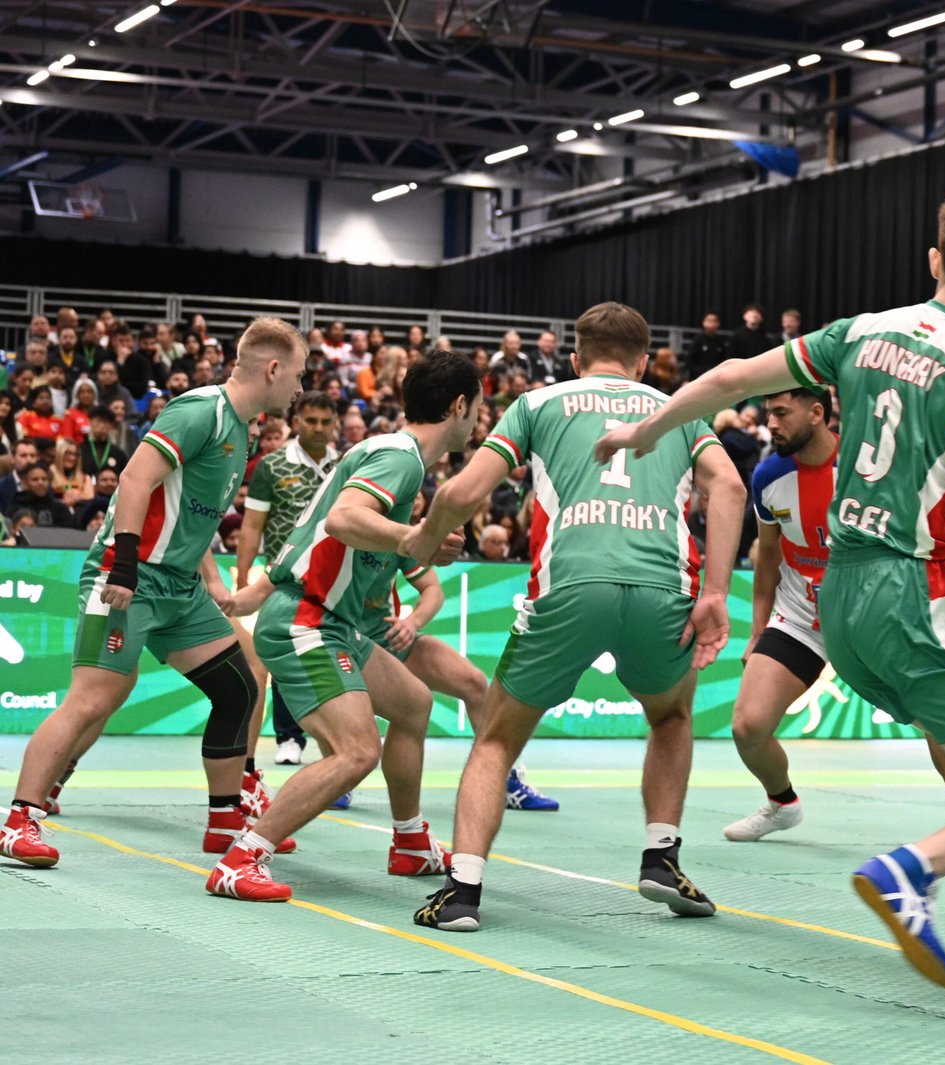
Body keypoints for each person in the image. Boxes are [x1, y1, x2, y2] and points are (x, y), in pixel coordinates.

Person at [596, 188, 945, 986]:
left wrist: (643, 429)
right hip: (913, 590)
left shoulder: (861, 332)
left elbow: (728, 376)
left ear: (934, 259)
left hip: (841, 596)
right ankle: (911, 871)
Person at [408, 301, 746, 933]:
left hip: (570, 587)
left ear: (574, 358)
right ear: (643, 363)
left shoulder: (537, 404)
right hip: (662, 589)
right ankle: (662, 857)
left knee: (497, 739)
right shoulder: (680, 410)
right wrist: (718, 592)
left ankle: (462, 893)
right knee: (671, 716)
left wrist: (421, 543)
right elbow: (729, 487)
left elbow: (461, 493)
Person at [1, 317, 307, 870]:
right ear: (272, 368)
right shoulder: (199, 411)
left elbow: (192, 512)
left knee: (238, 687)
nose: (300, 387)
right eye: (298, 375)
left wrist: (210, 579)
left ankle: (224, 820)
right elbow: (135, 479)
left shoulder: (243, 430)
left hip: (180, 587)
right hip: (130, 575)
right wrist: (122, 565)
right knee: (94, 697)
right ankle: (19, 819)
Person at [206, 351, 480, 902]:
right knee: (357, 751)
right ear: (458, 406)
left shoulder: (383, 451)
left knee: (414, 704)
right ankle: (241, 859)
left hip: (333, 620)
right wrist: (415, 537)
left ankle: (410, 842)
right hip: (307, 620)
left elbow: (314, 532)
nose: (478, 419)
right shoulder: (400, 459)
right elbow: (342, 519)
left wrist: (419, 541)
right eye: (477, 409)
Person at [722, 387, 837, 842]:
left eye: (782, 413)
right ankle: (782, 803)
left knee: (937, 723)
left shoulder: (863, 469)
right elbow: (768, 554)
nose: (770, 423)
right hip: (800, 616)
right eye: (768, 412)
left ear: (816, 412)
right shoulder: (769, 475)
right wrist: (757, 631)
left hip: (866, 619)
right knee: (748, 726)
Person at [237, 394, 342, 771]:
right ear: (296, 423)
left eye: (325, 422)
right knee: (285, 656)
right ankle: (289, 737)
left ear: (335, 424)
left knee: (334, 657)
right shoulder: (272, 465)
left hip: (336, 580)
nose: (318, 428)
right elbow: (253, 526)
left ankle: (338, 737)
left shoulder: (345, 465)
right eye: (310, 421)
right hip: (284, 580)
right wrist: (244, 577)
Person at [680, 312, 731, 381]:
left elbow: (724, 360)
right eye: (709, 321)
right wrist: (704, 371)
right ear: (704, 323)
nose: (712, 323)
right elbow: (689, 362)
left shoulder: (721, 341)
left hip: (716, 377)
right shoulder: (698, 340)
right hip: (699, 377)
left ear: (718, 323)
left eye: (715, 321)